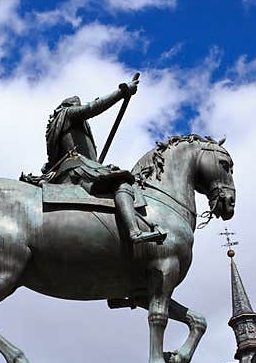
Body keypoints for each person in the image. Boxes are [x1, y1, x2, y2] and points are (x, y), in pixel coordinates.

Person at [40, 78, 166, 244]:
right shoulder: (68, 115)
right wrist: (121, 92)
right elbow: (92, 108)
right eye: (78, 105)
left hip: (77, 169)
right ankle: (134, 232)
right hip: (78, 170)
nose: (80, 107)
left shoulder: (60, 129)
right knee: (121, 181)